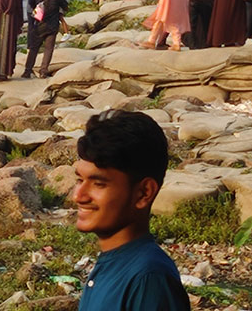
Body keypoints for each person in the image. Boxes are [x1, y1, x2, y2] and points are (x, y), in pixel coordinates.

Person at [73, 110, 190, 311]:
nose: (79, 196)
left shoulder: (148, 280)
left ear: (144, 193)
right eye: (79, 180)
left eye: (98, 184)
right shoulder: (113, 263)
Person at [22, 0, 66, 77]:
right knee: (48, 48)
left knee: (33, 47)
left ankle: (28, 70)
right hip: (52, 24)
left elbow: (31, 3)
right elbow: (65, 6)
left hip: (39, 23)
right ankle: (43, 70)